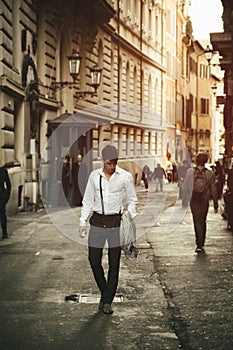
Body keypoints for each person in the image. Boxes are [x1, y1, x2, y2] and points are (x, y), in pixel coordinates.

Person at [79, 145, 138, 315]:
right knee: (93, 259)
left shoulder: (125, 177)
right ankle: (105, 292)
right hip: (97, 221)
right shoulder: (94, 176)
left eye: (114, 163)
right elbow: (88, 200)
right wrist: (82, 221)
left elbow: (133, 200)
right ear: (103, 161)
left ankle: (107, 302)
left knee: (114, 263)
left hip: (115, 223)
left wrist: (128, 216)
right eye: (109, 163)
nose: (112, 166)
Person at [182, 153, 218, 253]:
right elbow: (213, 189)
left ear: (196, 160)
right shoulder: (210, 173)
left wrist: (184, 200)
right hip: (204, 199)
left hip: (193, 199)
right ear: (206, 161)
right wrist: (215, 203)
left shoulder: (190, 172)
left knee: (197, 221)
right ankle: (202, 243)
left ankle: (198, 244)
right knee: (203, 220)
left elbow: (185, 187)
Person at [0, 162, 11, 239]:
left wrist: (7, 196)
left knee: (2, 214)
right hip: (2, 195)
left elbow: (8, 184)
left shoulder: (3, 171)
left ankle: (4, 231)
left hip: (1, 196)